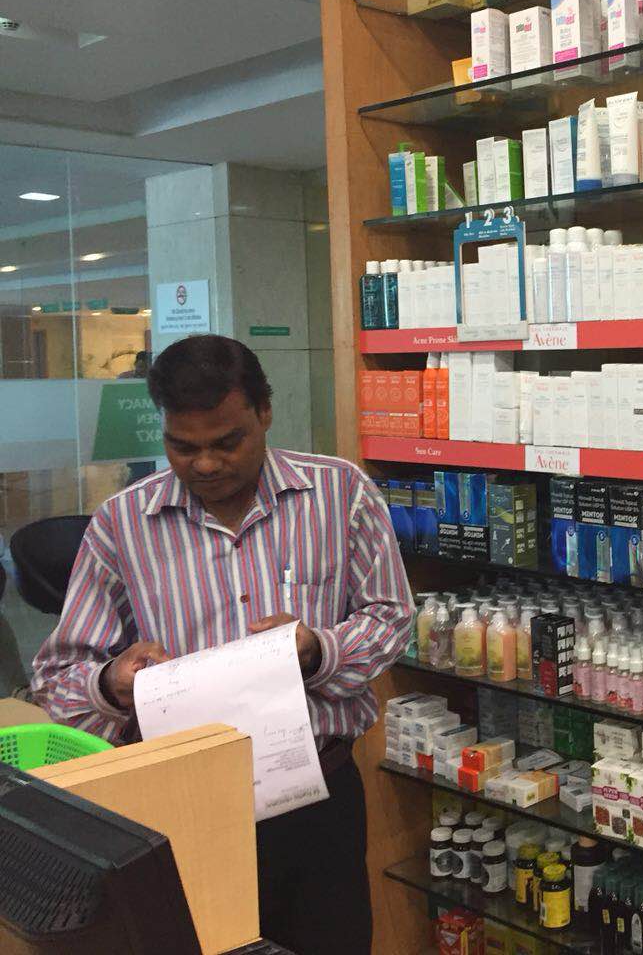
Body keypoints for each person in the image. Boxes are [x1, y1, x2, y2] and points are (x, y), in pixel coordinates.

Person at [31, 335, 413, 955]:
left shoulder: (340, 494)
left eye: (227, 442)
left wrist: (318, 649)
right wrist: (111, 683)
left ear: (265, 412)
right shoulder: (122, 524)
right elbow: (56, 676)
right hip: (179, 809)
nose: (206, 464)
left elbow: (391, 619)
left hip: (316, 797)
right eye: (183, 447)